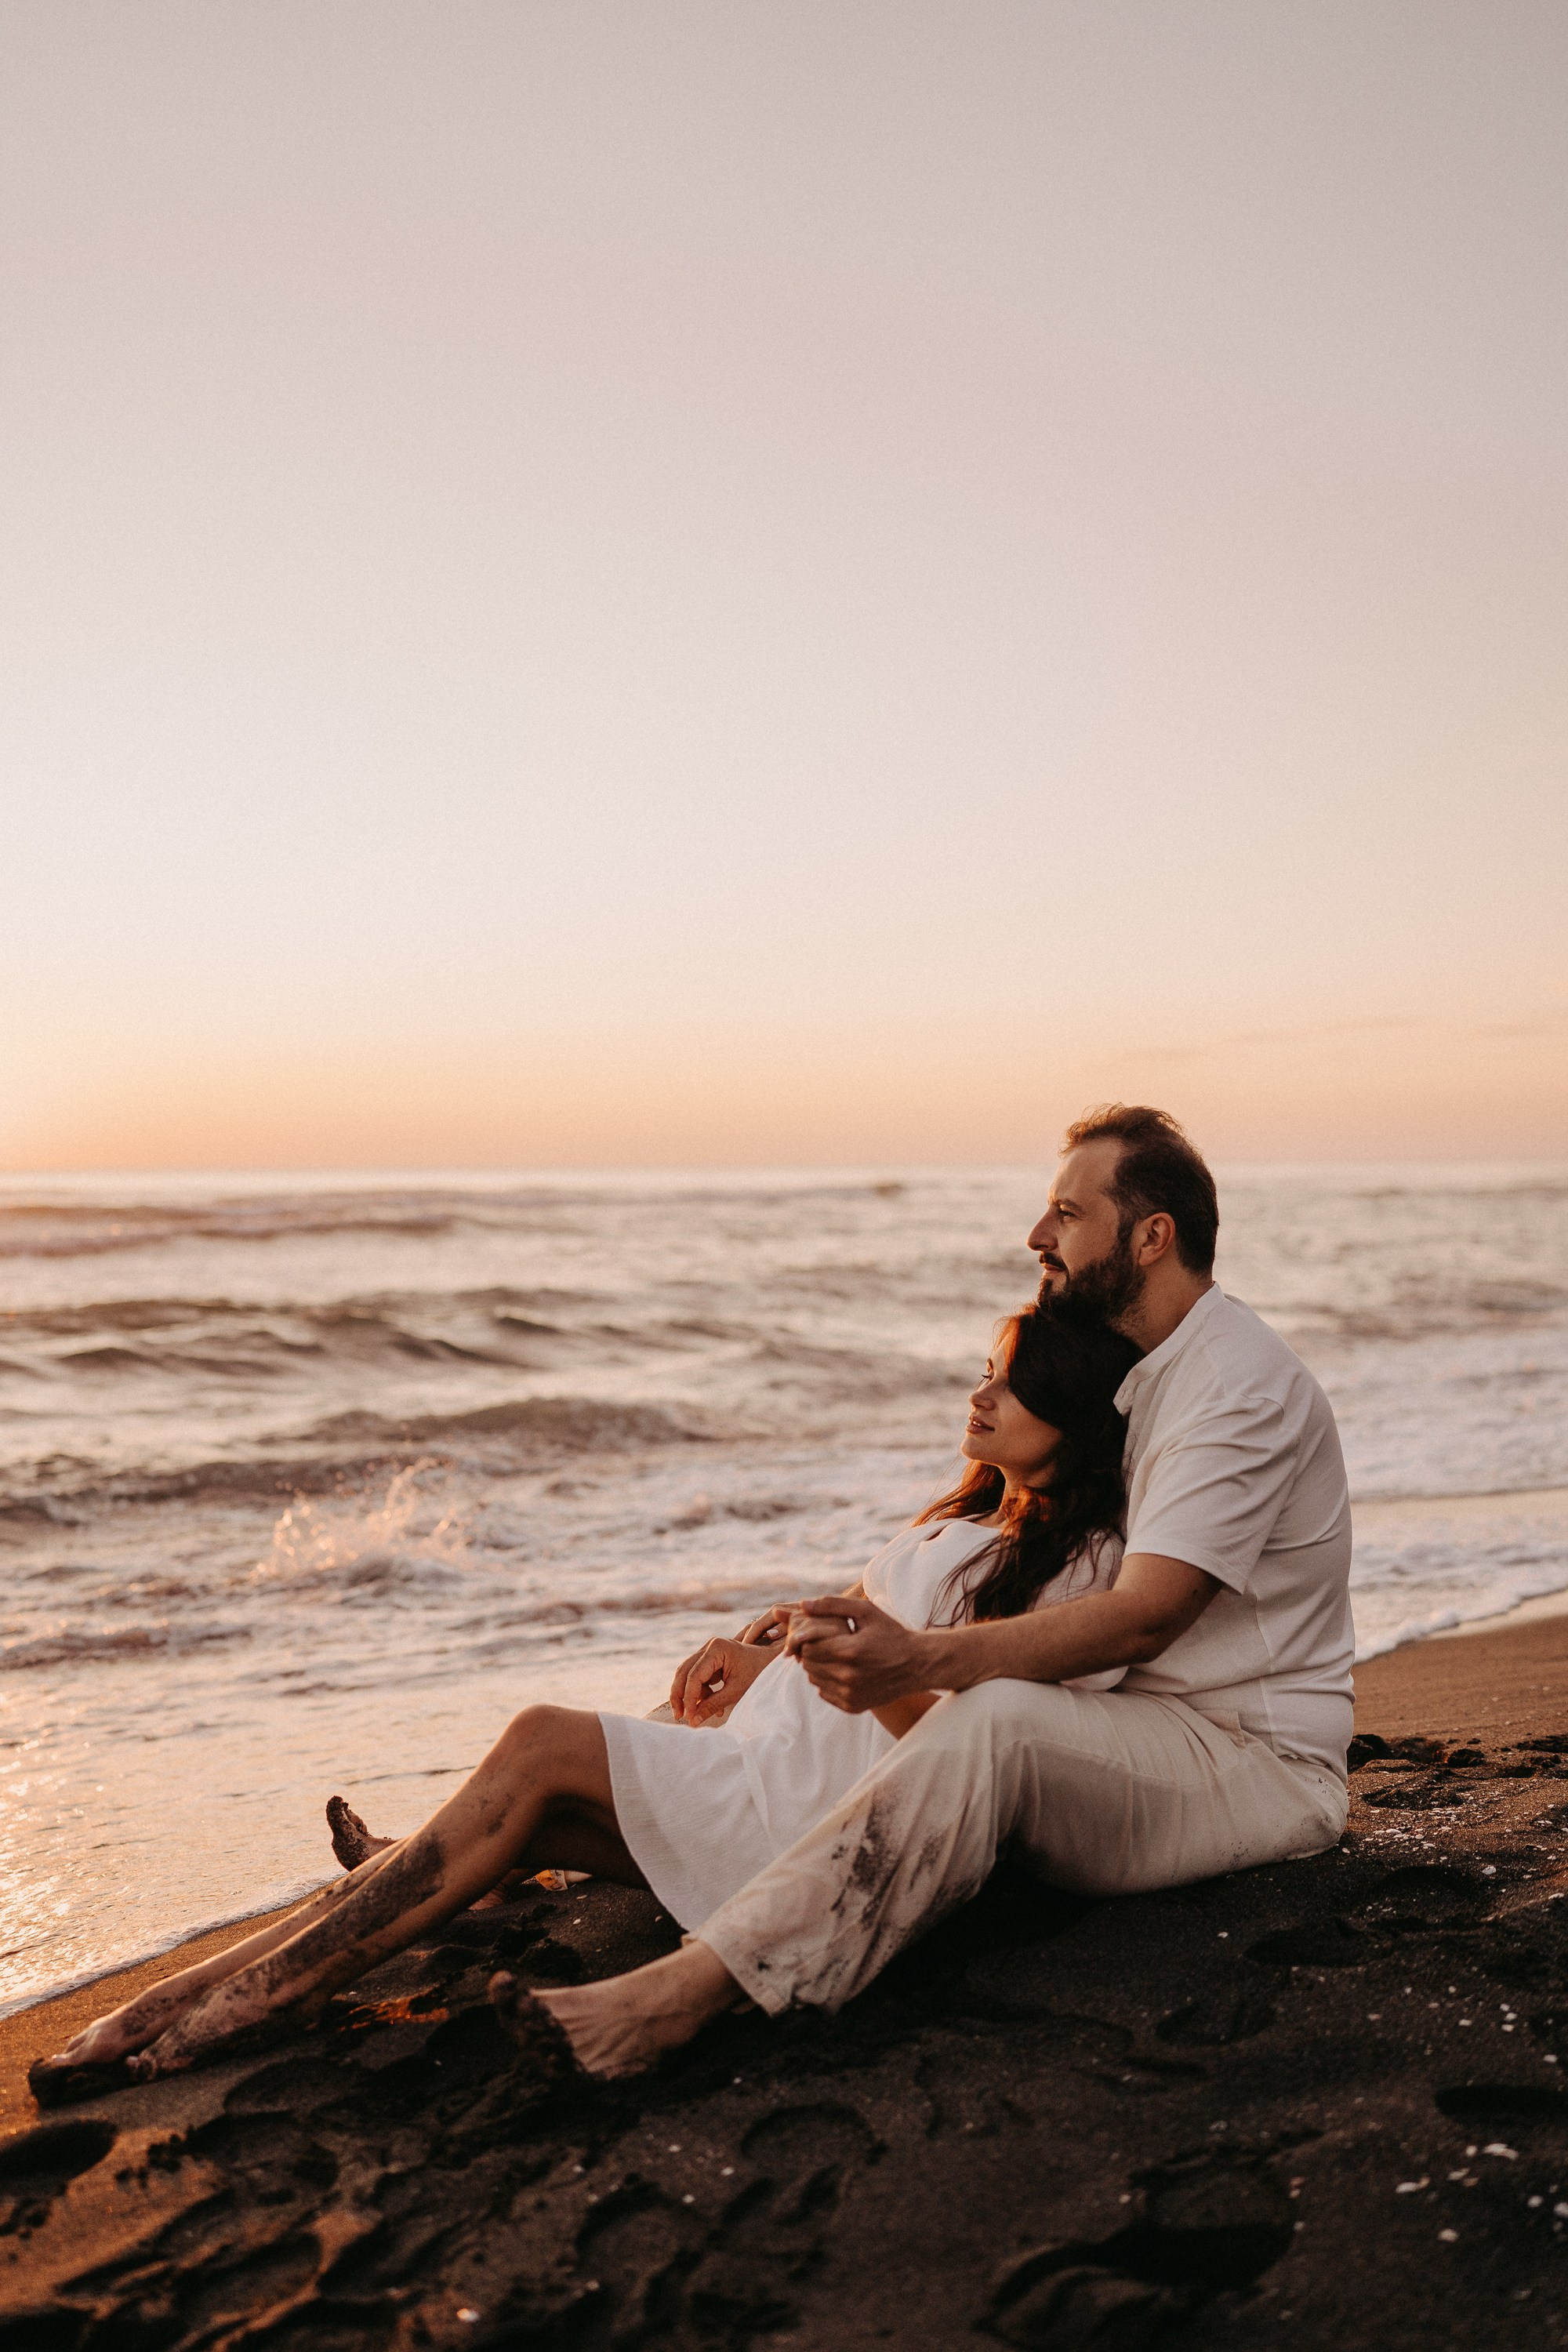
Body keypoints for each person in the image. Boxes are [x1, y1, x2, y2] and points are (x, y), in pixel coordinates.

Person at [30, 1304, 1137, 2102]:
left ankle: (250, 1997)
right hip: (764, 1766)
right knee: (520, 1818)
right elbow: (863, 1635)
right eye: (985, 1372)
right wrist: (771, 1656)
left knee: (537, 1745)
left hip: (813, 1824)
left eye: (1012, 1384)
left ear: (1076, 1418)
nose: (979, 1395)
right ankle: (192, 1999)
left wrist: (863, 1672)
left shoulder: (1083, 1573)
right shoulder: (971, 1519)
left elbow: (977, 1765)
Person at [494, 1102, 1356, 2076]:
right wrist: (807, 1643)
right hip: (1133, 1726)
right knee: (813, 1709)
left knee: (991, 1717)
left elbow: (1144, 1617)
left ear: (1151, 1237)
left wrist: (912, 1659)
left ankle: (685, 1994)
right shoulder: (1143, 1375)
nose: (1036, 1235)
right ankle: (514, 1838)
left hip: (1250, 1763)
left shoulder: (1232, 1386)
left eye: (1067, 1214)